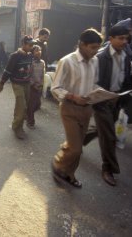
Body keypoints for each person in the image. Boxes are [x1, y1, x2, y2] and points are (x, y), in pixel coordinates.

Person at [51, 28, 103, 188]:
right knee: (75, 149)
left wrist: (101, 93)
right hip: (69, 108)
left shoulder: (95, 61)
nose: (95, 52)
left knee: (77, 148)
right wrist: (73, 97)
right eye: (92, 47)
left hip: (87, 109)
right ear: (82, 44)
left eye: (98, 48)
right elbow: (55, 88)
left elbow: (93, 83)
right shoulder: (67, 61)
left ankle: (69, 174)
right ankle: (58, 164)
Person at [84, 26, 132, 186]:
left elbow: (126, 78)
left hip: (117, 100)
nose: (124, 41)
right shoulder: (100, 57)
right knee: (109, 136)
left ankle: (77, 141)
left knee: (101, 130)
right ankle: (108, 169)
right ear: (111, 39)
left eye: (126, 38)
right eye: (120, 38)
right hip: (102, 101)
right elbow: (91, 81)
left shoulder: (126, 57)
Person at [0, 35, 35, 139]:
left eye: (32, 45)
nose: (31, 47)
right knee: (21, 106)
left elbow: (30, 69)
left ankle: (17, 123)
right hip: (17, 84)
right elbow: (7, 71)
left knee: (23, 105)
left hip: (27, 83)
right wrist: (1, 83)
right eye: (29, 44)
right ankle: (18, 128)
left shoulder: (30, 55)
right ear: (23, 44)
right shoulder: (15, 56)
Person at [27, 45, 45, 129]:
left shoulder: (42, 62)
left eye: (40, 50)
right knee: (31, 105)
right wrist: (33, 84)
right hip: (32, 87)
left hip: (39, 86)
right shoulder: (31, 63)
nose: (39, 52)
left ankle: (27, 114)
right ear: (32, 53)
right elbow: (28, 75)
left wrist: (41, 84)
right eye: (36, 50)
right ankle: (30, 121)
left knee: (37, 105)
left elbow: (42, 75)